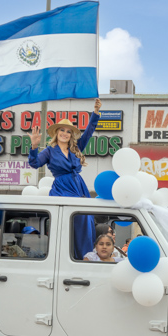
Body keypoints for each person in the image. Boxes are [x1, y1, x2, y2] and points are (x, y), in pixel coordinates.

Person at [29, 99, 102, 260]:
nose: (64, 133)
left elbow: (89, 131)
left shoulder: (76, 148)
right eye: (61, 130)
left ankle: (84, 257)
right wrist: (34, 147)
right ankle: (69, 256)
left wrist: (95, 113)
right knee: (71, 220)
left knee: (86, 221)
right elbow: (34, 163)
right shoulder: (49, 151)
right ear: (56, 133)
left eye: (68, 131)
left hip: (79, 186)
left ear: (71, 135)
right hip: (62, 188)